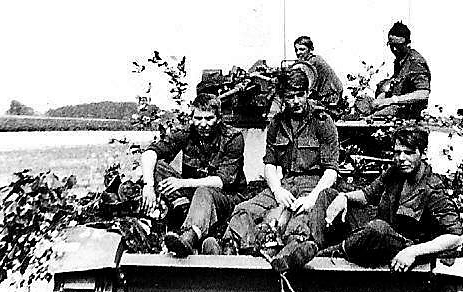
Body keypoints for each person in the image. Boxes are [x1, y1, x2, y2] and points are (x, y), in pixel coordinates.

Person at [211, 69, 339, 272]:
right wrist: (278, 190)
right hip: (285, 183)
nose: (296, 101)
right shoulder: (277, 123)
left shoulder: (322, 121)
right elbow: (269, 164)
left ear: (307, 93)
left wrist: (313, 198)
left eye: (300, 95)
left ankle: (288, 254)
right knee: (245, 209)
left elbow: (331, 170)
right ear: (283, 97)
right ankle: (231, 252)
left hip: (313, 184)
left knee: (301, 218)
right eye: (290, 96)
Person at [320, 129, 463, 272]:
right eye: (397, 152)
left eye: (408, 153)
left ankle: (333, 251)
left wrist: (412, 252)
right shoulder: (395, 172)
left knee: (378, 228)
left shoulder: (432, 188)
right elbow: (367, 195)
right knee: (329, 195)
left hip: (402, 246)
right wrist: (344, 197)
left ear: (423, 153)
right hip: (378, 235)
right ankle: (316, 244)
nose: (401, 158)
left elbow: (455, 236)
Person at [140, 93, 246, 257]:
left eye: (209, 118)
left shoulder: (233, 138)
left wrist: (182, 183)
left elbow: (221, 181)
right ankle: (183, 210)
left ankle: (189, 238)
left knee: (204, 191)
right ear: (192, 118)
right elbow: (150, 153)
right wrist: (148, 186)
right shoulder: (187, 133)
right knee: (157, 167)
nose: (203, 124)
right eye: (198, 118)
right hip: (194, 194)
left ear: (218, 119)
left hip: (226, 198)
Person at [371, 21, 431, 119]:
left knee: (372, 118)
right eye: (391, 45)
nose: (394, 49)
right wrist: (382, 97)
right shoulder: (400, 61)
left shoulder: (415, 62)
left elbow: (423, 93)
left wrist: (392, 100)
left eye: (398, 45)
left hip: (409, 113)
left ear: (407, 43)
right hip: (397, 108)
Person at [293, 36, 344, 106]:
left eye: (302, 49)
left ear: (310, 49)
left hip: (329, 97)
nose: (298, 52)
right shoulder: (314, 59)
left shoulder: (313, 62)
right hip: (329, 95)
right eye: (296, 50)